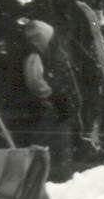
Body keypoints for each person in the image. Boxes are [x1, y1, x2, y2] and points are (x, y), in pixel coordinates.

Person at [23, 20, 81, 182]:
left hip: (56, 108)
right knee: (47, 146)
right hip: (47, 108)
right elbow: (35, 81)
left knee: (60, 146)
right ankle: (49, 181)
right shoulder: (34, 56)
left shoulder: (48, 54)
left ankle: (60, 179)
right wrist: (53, 97)